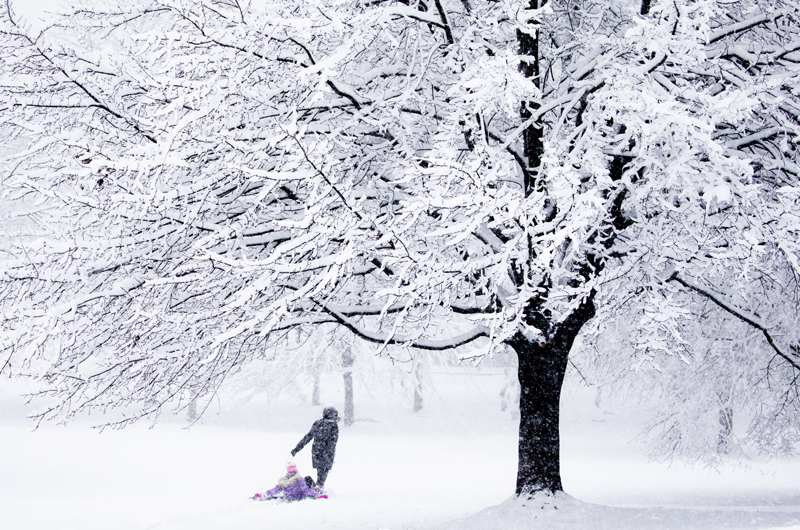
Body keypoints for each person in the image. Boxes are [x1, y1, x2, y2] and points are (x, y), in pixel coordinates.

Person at [291, 406, 339, 490]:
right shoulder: (334, 426)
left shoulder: (318, 423)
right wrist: (328, 453)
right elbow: (333, 441)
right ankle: (319, 486)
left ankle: (317, 485)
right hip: (328, 453)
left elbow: (308, 437)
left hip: (316, 452)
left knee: (320, 470)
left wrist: (297, 449)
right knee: (324, 471)